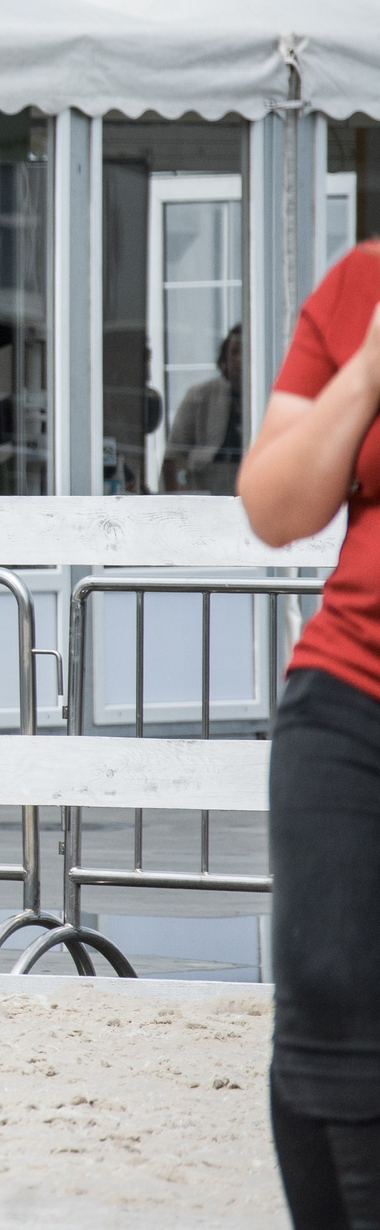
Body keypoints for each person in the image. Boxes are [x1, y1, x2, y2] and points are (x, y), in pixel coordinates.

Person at [237, 246, 380, 1227]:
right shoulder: (358, 283)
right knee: (326, 989)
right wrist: (369, 366)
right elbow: (275, 505)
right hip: (350, 686)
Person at [165, 325, 245, 496]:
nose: (239, 360)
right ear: (224, 356)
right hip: (205, 485)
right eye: (234, 352)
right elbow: (174, 455)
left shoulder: (271, 398)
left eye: (245, 352)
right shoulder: (200, 395)